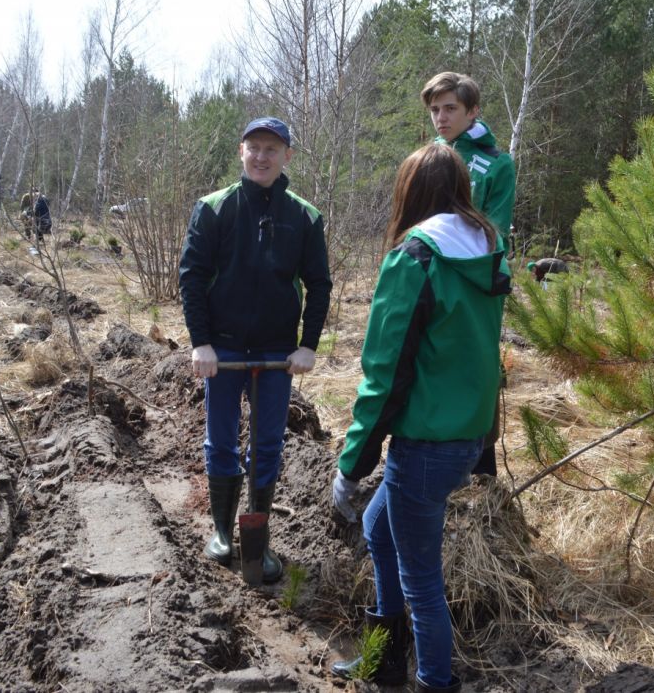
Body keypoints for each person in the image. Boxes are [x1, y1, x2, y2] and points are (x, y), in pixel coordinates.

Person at [330, 144, 510, 692]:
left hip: (426, 443)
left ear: (410, 192)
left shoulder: (417, 257)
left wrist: (351, 464)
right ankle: (384, 658)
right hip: (466, 435)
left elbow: (384, 373)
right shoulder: (487, 252)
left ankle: (434, 682)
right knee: (376, 529)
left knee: (422, 583)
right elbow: (481, 355)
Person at [179, 116, 332, 584]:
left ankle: (258, 540)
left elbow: (319, 284)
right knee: (220, 441)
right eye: (254, 147)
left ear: (287, 156)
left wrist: (307, 346)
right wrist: (201, 342)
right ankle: (224, 532)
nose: (262, 156)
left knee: (267, 445)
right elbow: (192, 278)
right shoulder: (213, 208)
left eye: (272, 149)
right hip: (222, 350)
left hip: (275, 353)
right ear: (241, 151)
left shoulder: (304, 216)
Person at [421, 71, 516, 477]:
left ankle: (481, 473)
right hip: (424, 277)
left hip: (473, 282)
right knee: (426, 364)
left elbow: (493, 232)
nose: (440, 118)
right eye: (434, 110)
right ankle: (423, 459)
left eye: (450, 108)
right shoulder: (428, 157)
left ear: (473, 110)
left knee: (476, 368)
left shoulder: (496, 163)